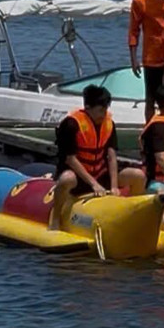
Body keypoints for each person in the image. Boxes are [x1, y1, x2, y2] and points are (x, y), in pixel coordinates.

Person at [50, 85, 145, 230]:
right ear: (87, 107)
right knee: (66, 179)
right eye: (100, 110)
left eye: (105, 109)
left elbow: (112, 156)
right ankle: (56, 218)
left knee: (138, 175)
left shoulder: (109, 123)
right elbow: (70, 159)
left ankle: (133, 216)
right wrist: (93, 184)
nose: (103, 113)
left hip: (101, 174)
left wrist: (113, 186)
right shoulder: (70, 125)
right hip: (79, 178)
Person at [128, 0, 164, 121]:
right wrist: (133, 58)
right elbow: (133, 30)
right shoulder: (140, 1)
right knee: (151, 99)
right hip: (151, 57)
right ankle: (149, 129)